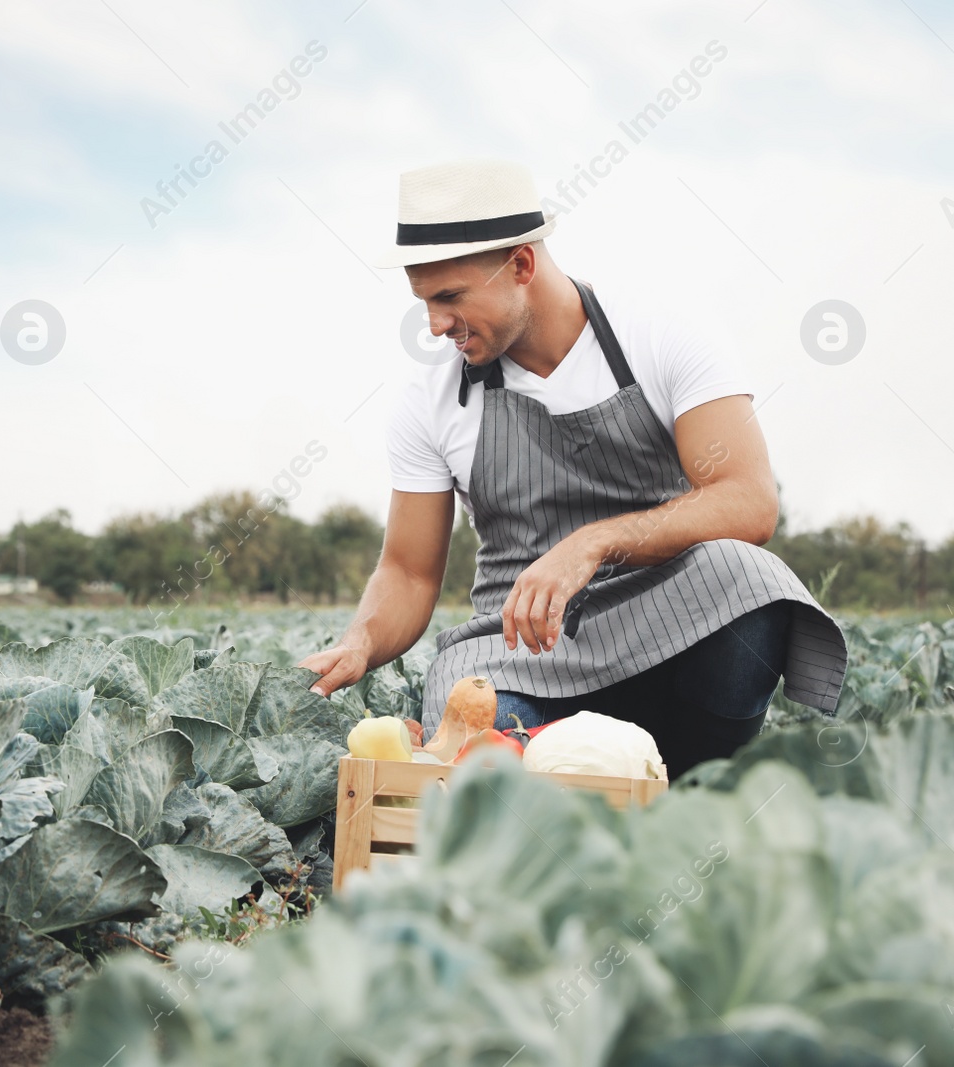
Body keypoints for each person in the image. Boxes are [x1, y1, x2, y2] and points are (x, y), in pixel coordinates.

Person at [298, 159, 847, 779]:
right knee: (478, 720)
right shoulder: (429, 393)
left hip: (662, 622)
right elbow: (408, 570)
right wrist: (360, 642)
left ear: (522, 266)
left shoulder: (663, 330)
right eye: (424, 301)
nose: (434, 325)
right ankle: (546, 793)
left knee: (747, 576)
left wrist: (595, 543)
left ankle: (703, 781)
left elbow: (747, 499)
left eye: (450, 298)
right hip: (520, 645)